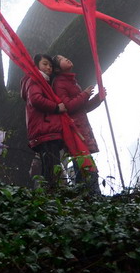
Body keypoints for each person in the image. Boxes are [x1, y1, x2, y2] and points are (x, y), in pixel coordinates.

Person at [51, 54, 104, 191]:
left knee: (83, 163)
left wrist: (98, 98)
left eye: (65, 57)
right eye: (61, 59)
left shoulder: (72, 82)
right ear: (57, 69)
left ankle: (86, 193)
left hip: (82, 126)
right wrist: (85, 94)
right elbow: (68, 106)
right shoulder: (59, 83)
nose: (66, 58)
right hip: (75, 129)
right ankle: (90, 194)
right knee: (84, 163)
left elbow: (83, 108)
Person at [23, 53, 69, 189]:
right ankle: (50, 196)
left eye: (50, 65)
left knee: (51, 165)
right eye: (44, 64)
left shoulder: (44, 82)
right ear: (36, 65)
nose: (48, 67)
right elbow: (35, 99)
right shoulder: (35, 79)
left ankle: (49, 194)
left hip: (47, 130)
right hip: (45, 130)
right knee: (51, 166)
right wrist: (56, 107)